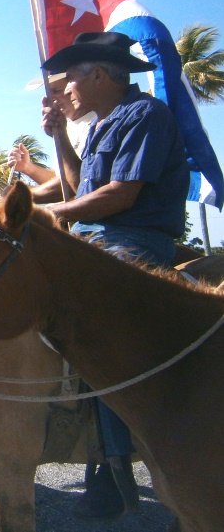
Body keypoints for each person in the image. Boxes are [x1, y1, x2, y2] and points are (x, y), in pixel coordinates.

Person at [38, 31, 190, 520]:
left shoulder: (146, 116)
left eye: (70, 82)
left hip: (131, 241)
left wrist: (52, 214)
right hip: (93, 240)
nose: (66, 92)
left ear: (98, 74)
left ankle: (114, 461)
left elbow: (120, 195)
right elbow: (78, 182)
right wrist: (59, 133)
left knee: (96, 327)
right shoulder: (102, 125)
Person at [8, 73, 97, 197]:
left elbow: (79, 182)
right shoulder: (66, 127)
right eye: (48, 93)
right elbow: (63, 177)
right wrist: (28, 168)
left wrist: (23, 196)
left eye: (56, 91)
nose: (51, 98)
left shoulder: (96, 123)